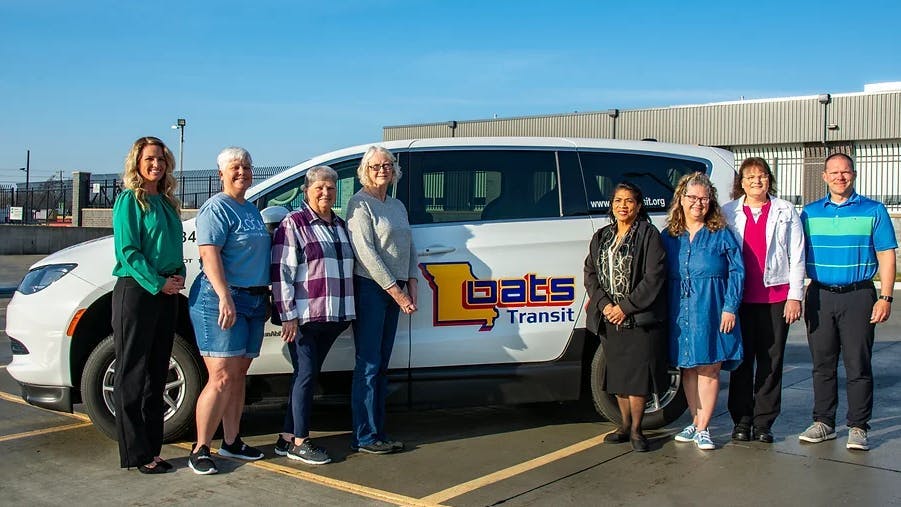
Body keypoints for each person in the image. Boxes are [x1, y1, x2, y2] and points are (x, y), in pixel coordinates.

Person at [798, 152, 897, 451]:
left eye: (845, 172)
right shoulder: (809, 214)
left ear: (853, 174)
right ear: (824, 177)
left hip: (859, 296)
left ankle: (858, 426)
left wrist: (886, 296)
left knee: (858, 363)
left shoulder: (874, 210)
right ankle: (824, 422)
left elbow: (886, 254)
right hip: (820, 295)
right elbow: (795, 255)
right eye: (834, 172)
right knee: (822, 364)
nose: (840, 177)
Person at [187, 147, 271, 474]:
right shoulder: (216, 208)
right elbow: (209, 255)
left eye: (247, 167)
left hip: (252, 300)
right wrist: (224, 296)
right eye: (235, 167)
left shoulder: (249, 208)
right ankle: (201, 448)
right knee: (221, 376)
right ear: (220, 173)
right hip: (222, 299)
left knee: (237, 375)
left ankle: (232, 441)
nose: (242, 172)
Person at [270, 166, 355, 465]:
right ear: (306, 191)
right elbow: (281, 272)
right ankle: (300, 442)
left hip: (333, 317)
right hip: (305, 318)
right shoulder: (294, 223)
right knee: (306, 375)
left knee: (305, 375)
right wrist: (288, 315)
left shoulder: (340, 225)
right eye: (319, 187)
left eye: (330, 188)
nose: (325, 192)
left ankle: (286, 437)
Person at [111, 136, 185, 474]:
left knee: (157, 373)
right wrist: (158, 282)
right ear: (137, 164)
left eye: (161, 159)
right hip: (138, 291)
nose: (156, 165)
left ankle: (153, 450)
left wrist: (178, 275)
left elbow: (173, 248)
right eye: (150, 159)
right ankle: (135, 454)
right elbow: (128, 251)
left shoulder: (167, 203)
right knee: (133, 373)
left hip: (167, 293)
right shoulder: (130, 200)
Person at [723, 157, 805, 443]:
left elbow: (797, 255)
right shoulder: (728, 212)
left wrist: (795, 297)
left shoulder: (785, 210)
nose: (757, 181)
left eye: (762, 176)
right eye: (750, 177)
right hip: (741, 300)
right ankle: (741, 420)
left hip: (776, 298)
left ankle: (763, 423)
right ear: (741, 182)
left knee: (771, 361)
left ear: (769, 179)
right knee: (741, 361)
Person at [662, 172, 744, 450]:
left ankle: (704, 428)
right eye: (693, 197)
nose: (698, 203)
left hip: (712, 307)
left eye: (704, 198)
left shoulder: (721, 234)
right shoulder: (669, 236)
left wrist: (730, 307)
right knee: (688, 367)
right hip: (680, 309)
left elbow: (737, 271)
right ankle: (695, 421)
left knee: (709, 367)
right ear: (681, 199)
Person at [583, 182, 667, 452]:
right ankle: (624, 424)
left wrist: (626, 307)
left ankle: (637, 430)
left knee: (637, 380)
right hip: (610, 319)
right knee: (618, 377)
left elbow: (654, 277)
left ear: (638, 206)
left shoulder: (648, 235)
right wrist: (605, 305)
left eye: (629, 201)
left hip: (637, 319)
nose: (623, 206)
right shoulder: (602, 236)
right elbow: (590, 273)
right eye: (618, 200)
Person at [346, 146, 418, 455]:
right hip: (371, 290)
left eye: (387, 164)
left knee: (382, 364)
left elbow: (410, 246)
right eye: (375, 166)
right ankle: (365, 436)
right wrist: (397, 293)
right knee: (369, 363)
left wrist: (412, 282)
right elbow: (366, 254)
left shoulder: (397, 205)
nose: (382, 170)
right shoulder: (359, 204)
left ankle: (378, 432)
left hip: (395, 289)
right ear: (365, 170)